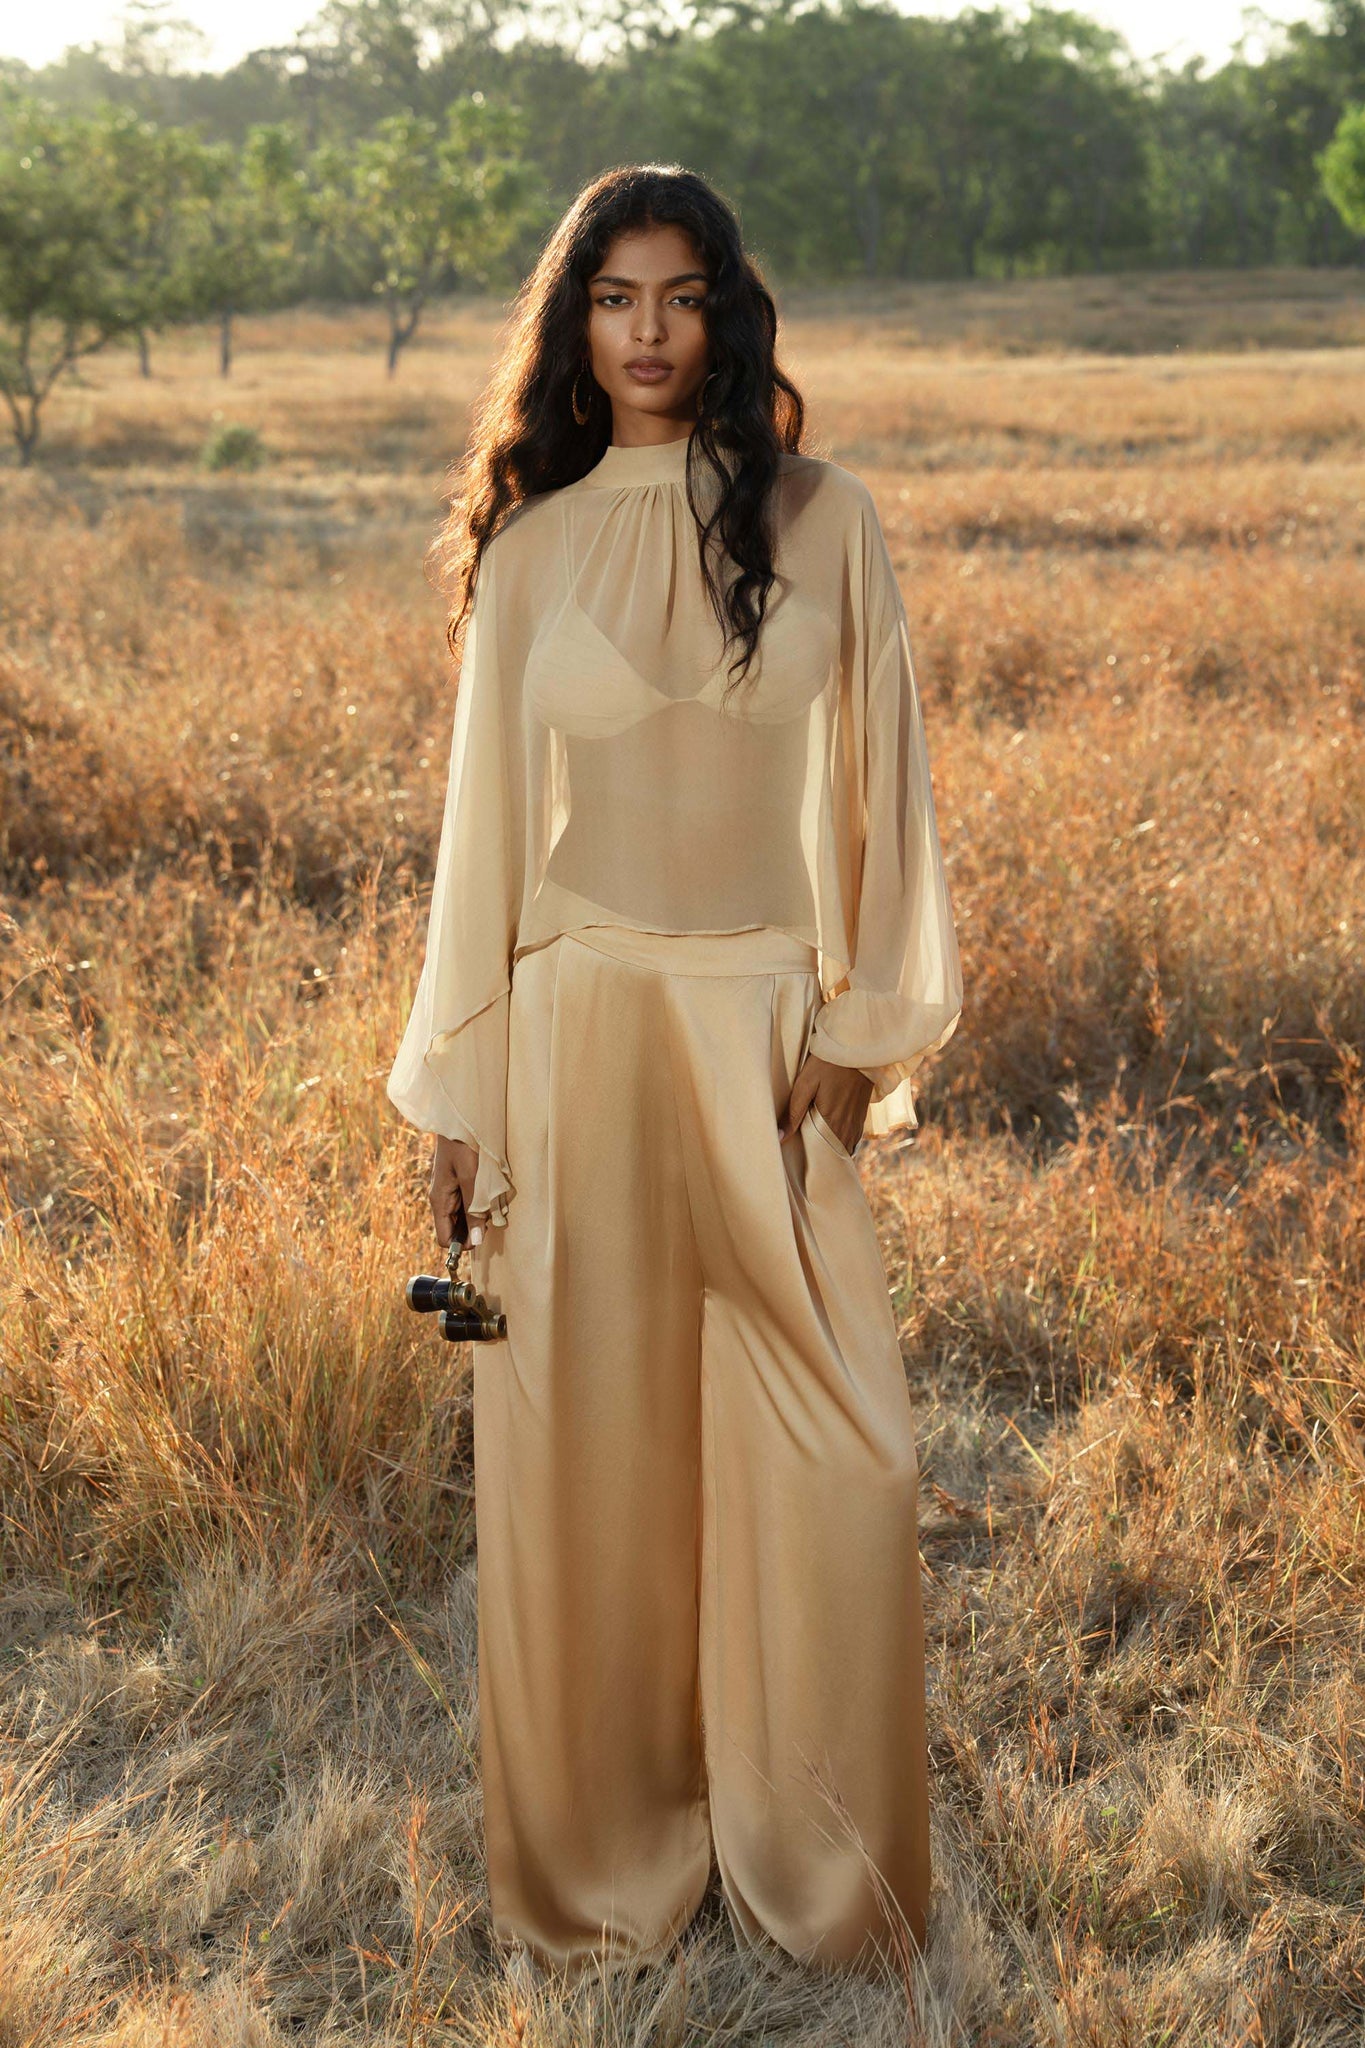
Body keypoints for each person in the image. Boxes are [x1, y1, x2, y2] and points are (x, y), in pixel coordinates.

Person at [387, 162, 963, 1981]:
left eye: (681, 295)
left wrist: (856, 1039)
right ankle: (604, 1874)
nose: (648, 333)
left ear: (729, 312)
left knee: (848, 1451)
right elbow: (480, 844)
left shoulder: (823, 518)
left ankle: (818, 1862)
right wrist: (458, 1104)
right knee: (586, 1459)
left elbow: (885, 799)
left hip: (760, 1031)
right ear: (576, 329)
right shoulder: (534, 544)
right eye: (613, 299)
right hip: (573, 1036)